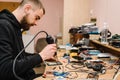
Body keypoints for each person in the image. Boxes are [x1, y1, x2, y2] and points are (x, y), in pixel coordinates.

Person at [0, 0, 57, 80]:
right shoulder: (3, 26)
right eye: (36, 18)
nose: (36, 23)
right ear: (27, 8)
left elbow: (19, 56)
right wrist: (41, 56)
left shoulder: (16, 27)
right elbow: (5, 69)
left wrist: (41, 56)